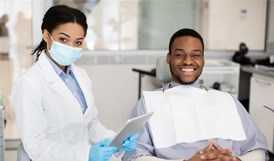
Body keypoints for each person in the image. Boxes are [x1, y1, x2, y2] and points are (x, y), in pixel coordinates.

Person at [11, 5, 137, 161]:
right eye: (63, 39)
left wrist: (117, 140)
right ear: (46, 35)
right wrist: (86, 154)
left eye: (77, 42)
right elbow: (35, 146)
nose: (70, 47)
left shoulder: (81, 76)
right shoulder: (28, 83)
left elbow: (91, 125)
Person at [122, 28, 269, 161]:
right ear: (168, 58)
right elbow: (133, 157)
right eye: (179, 55)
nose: (187, 61)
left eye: (196, 55)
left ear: (203, 59)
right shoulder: (148, 104)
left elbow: (260, 151)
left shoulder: (227, 100)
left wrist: (237, 160)